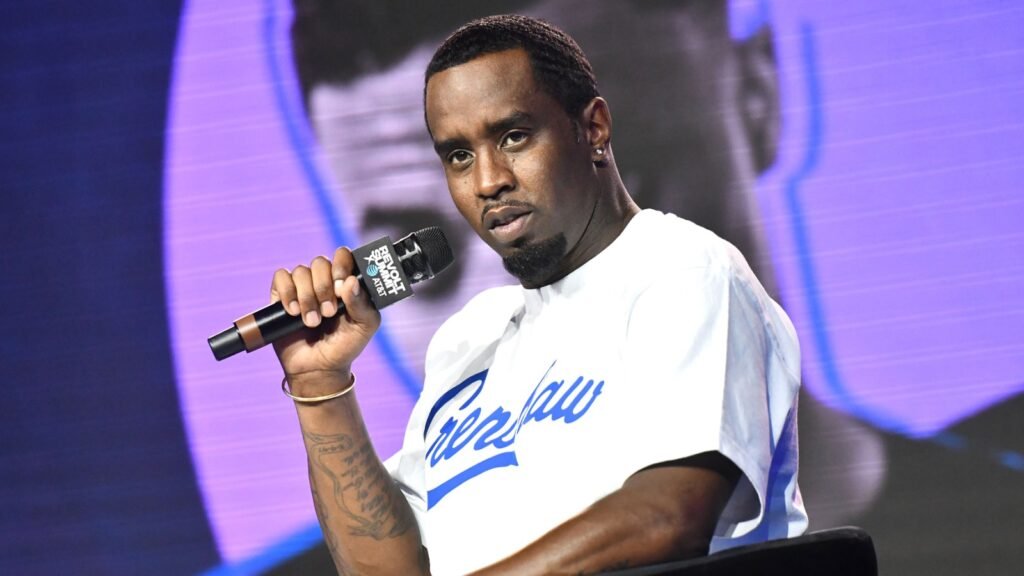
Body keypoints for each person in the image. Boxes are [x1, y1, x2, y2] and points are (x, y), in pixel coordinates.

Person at [270, 14, 806, 574]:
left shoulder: (682, 269)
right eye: (458, 156)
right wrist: (320, 385)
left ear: (593, 129)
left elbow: (668, 517)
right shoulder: (468, 341)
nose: (488, 181)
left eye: (513, 137)